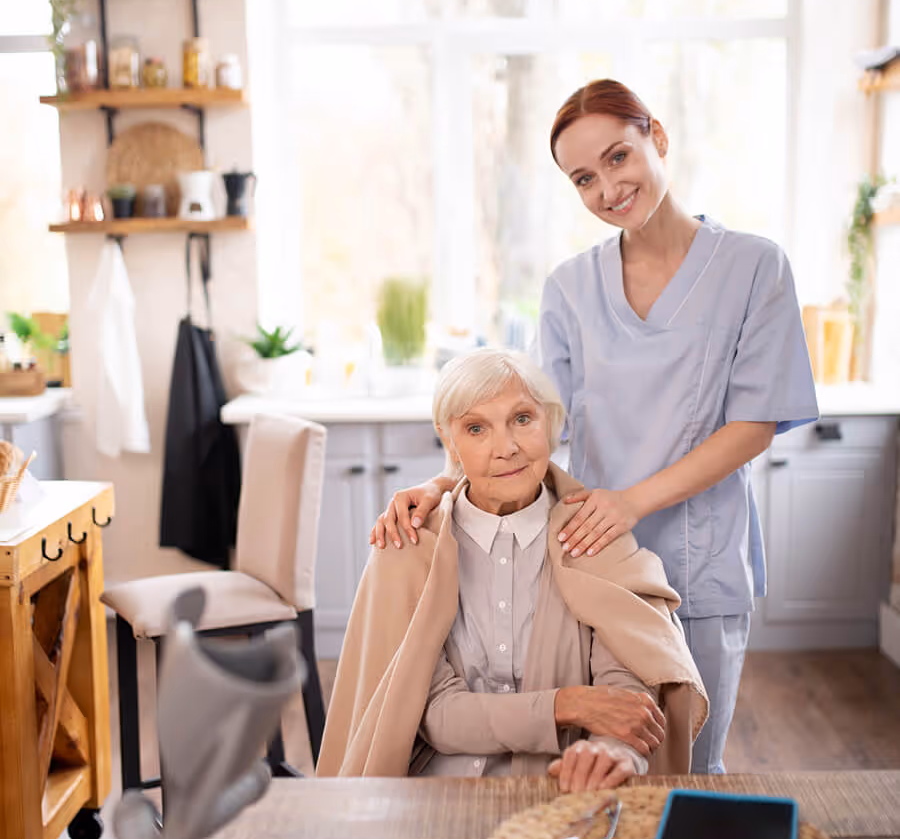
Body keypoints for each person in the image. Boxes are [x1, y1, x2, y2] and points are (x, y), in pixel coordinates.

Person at [370, 79, 818, 775]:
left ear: (657, 137)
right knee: (599, 767)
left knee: (687, 767)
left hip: (697, 565)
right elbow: (536, 427)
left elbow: (753, 425)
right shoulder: (570, 287)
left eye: (618, 157)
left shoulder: (755, 267)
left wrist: (631, 503)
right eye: (584, 177)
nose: (607, 187)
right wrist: (442, 484)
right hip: (590, 565)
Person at [319, 348, 708, 792]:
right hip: (433, 794)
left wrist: (609, 750)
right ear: (451, 443)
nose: (506, 448)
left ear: (550, 425)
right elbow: (436, 716)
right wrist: (568, 705)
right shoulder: (409, 548)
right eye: (476, 428)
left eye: (522, 419)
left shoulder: (596, 537)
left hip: (563, 789)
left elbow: (626, 689)